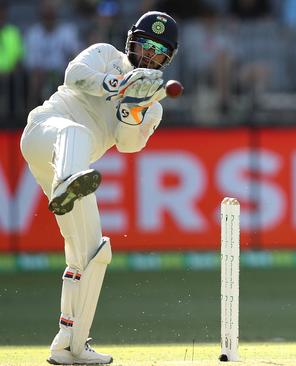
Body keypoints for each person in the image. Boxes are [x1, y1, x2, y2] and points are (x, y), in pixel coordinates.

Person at [20, 11, 179, 365]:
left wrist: (134, 106)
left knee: (92, 252)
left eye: (160, 52)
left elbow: (128, 145)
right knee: (76, 133)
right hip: (45, 134)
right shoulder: (106, 55)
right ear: (131, 42)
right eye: (146, 45)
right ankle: (66, 182)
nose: (151, 55)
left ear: (168, 59)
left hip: (74, 170)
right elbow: (73, 75)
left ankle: (70, 345)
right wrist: (119, 85)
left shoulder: (152, 105)